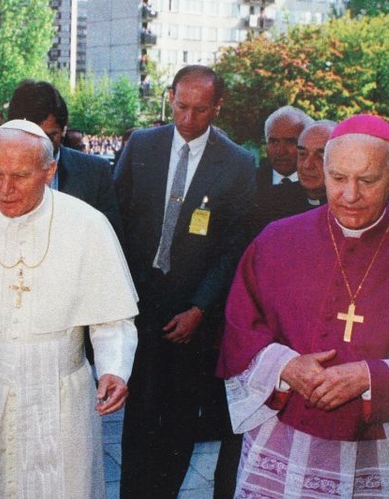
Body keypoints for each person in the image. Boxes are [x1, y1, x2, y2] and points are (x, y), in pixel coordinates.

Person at [217, 114, 389, 496]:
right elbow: (240, 328)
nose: (350, 194)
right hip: (282, 439)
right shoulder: (276, 241)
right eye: (338, 178)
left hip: (375, 450)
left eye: (368, 180)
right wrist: (286, 366)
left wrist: (372, 378)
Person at [0, 119, 138, 497]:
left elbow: (112, 319)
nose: (4, 189)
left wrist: (114, 369)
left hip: (62, 394)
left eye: (19, 176)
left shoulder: (88, 225)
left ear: (49, 171)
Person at [114, 65, 257, 498]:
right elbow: (115, 221)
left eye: (200, 110)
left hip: (191, 312)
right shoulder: (141, 145)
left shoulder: (237, 163)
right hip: (138, 303)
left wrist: (200, 308)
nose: (188, 120)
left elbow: (235, 248)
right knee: (137, 414)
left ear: (217, 107)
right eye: (181, 107)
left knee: (179, 419)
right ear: (170, 97)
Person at [0, 80, 124, 240]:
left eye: (49, 136)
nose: (40, 146)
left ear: (64, 129)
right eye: (29, 137)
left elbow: (109, 241)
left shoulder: (94, 172)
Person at [253, 120, 336, 234]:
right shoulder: (270, 202)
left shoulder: (350, 207)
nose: (307, 165)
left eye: (320, 157)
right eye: (302, 154)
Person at [256, 105, 314, 193]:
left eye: (290, 141)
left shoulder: (321, 186)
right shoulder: (249, 183)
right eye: (274, 141)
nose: (281, 151)